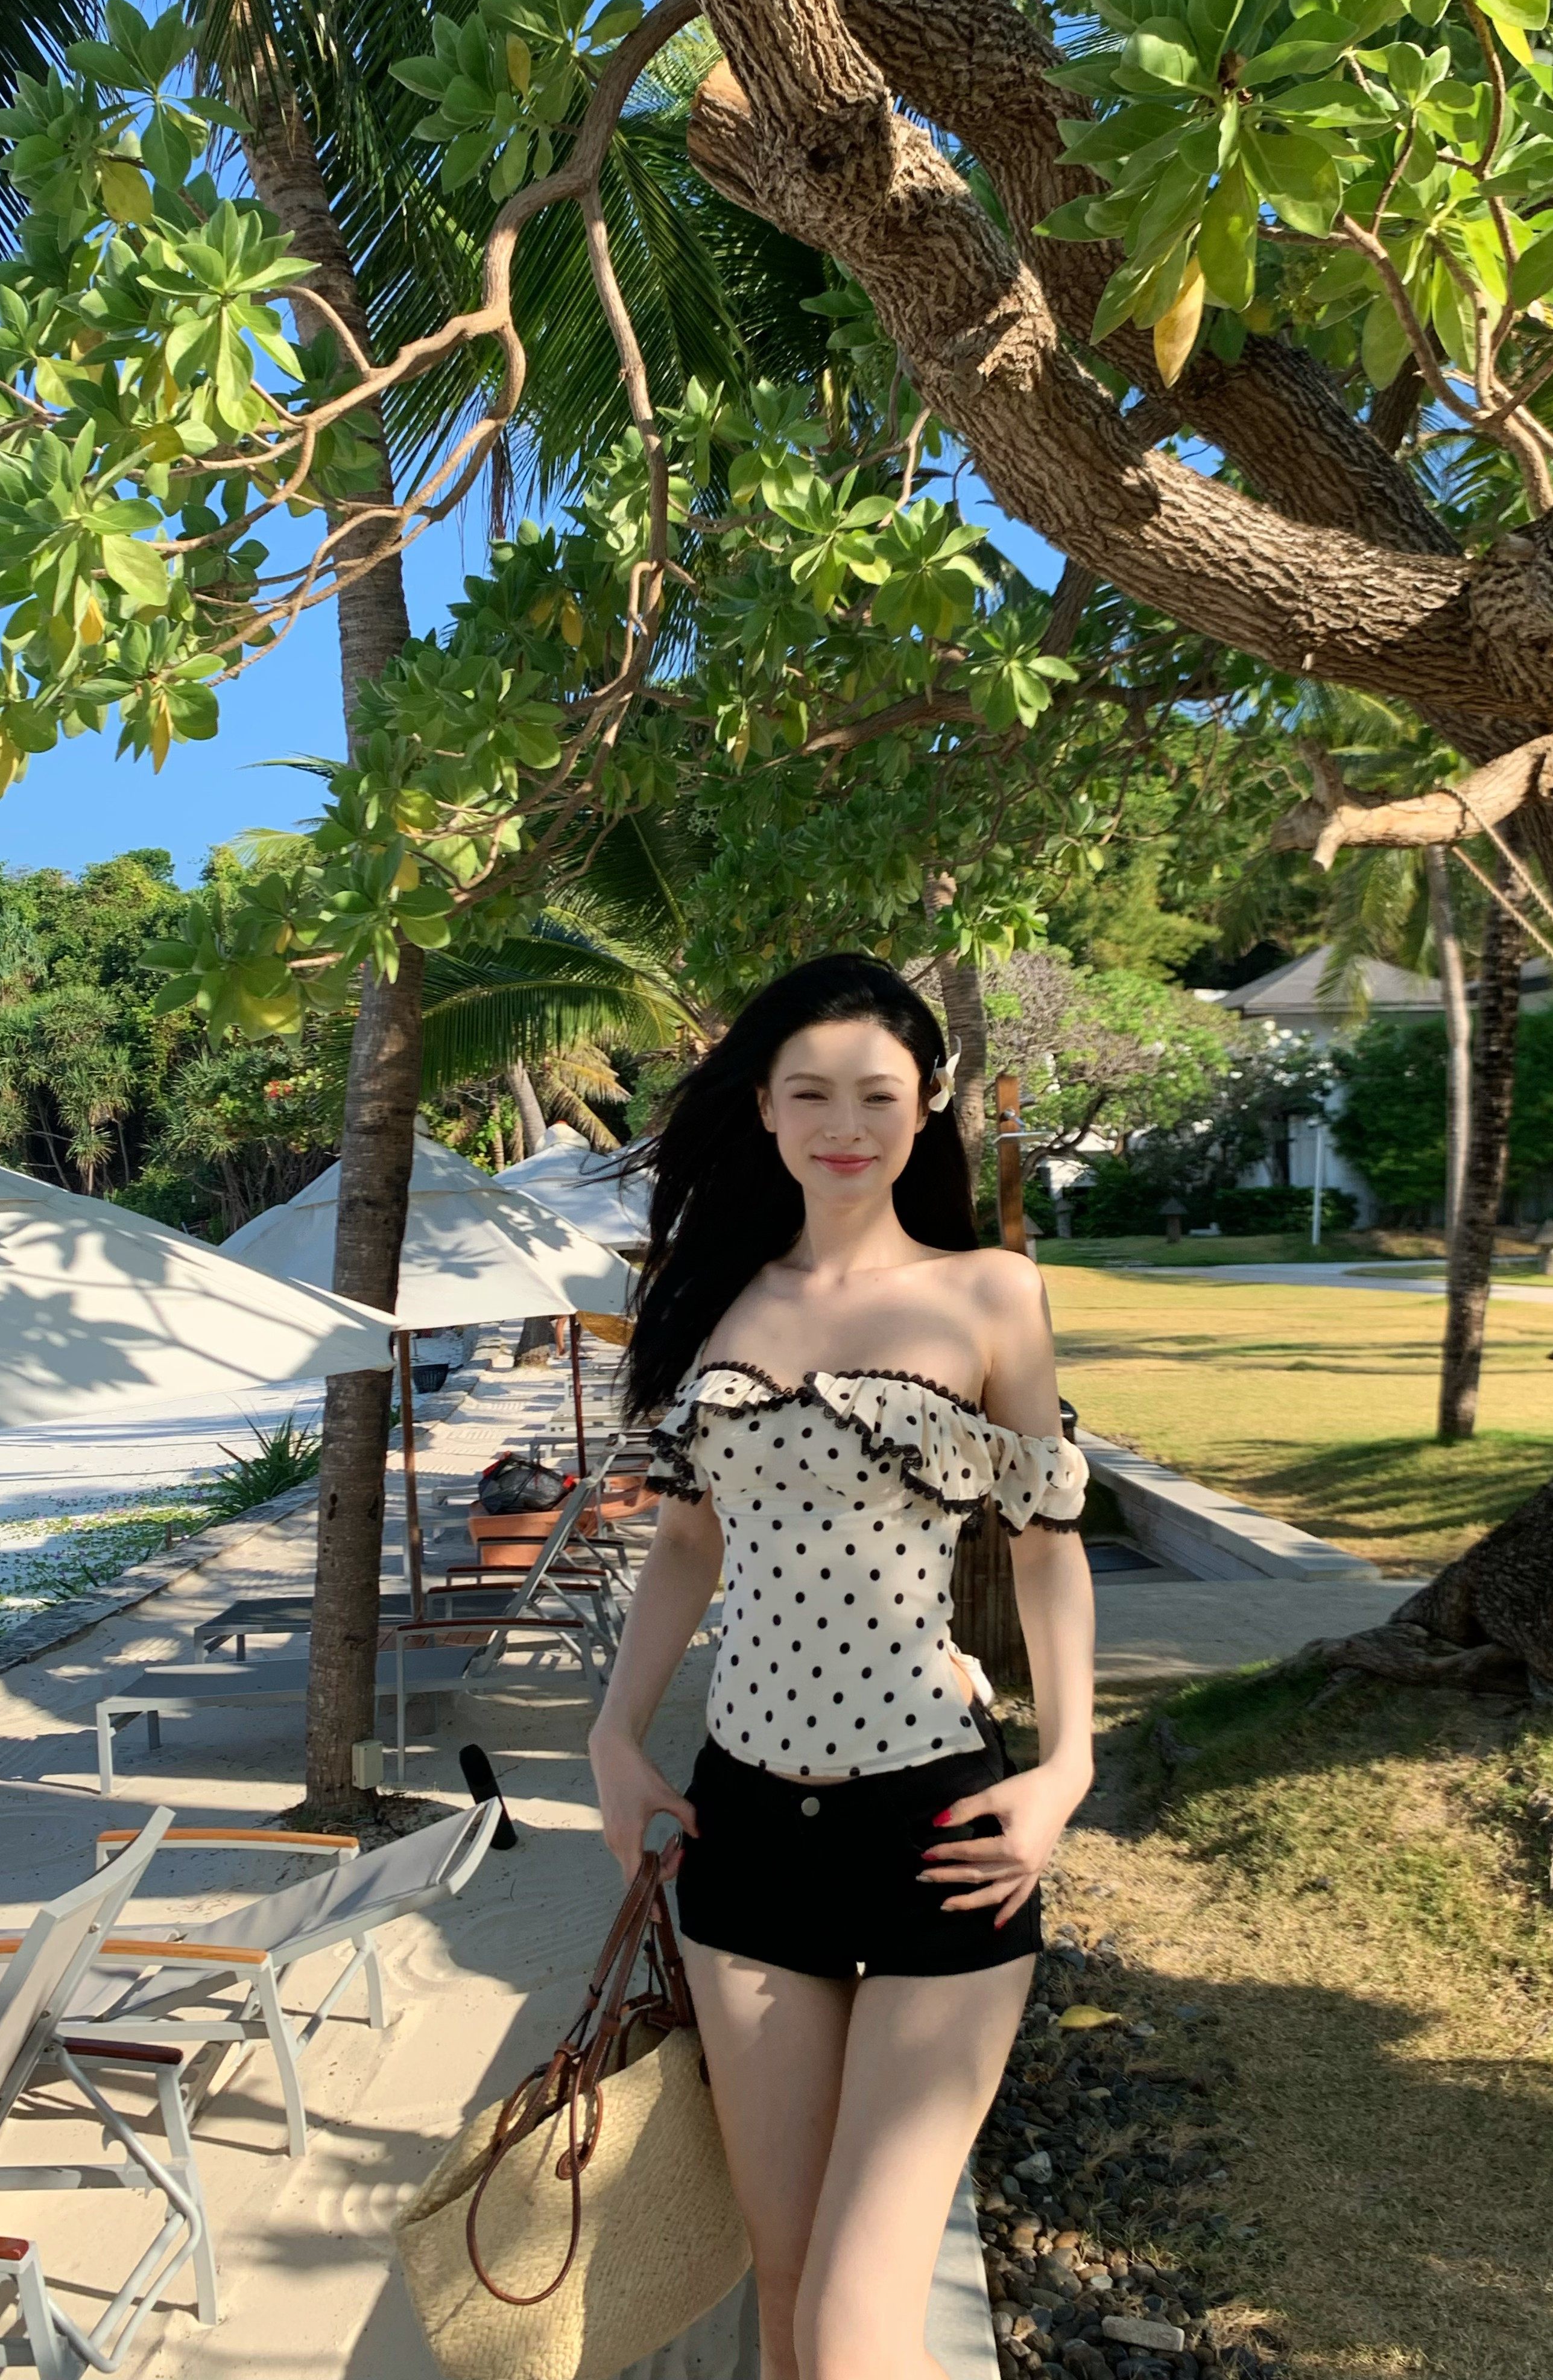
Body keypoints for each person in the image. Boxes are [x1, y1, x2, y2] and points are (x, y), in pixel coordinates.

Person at [589, 953, 1096, 2380]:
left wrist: (1068, 1767)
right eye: (809, 1093)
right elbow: (687, 1545)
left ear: (927, 1105)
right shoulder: (713, 1300)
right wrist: (615, 1741)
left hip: (936, 1828)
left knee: (858, 2324)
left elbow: (1047, 1547)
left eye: (877, 1094)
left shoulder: (991, 1292)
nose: (845, 1124)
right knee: (785, 2282)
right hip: (744, 1830)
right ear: (762, 1108)